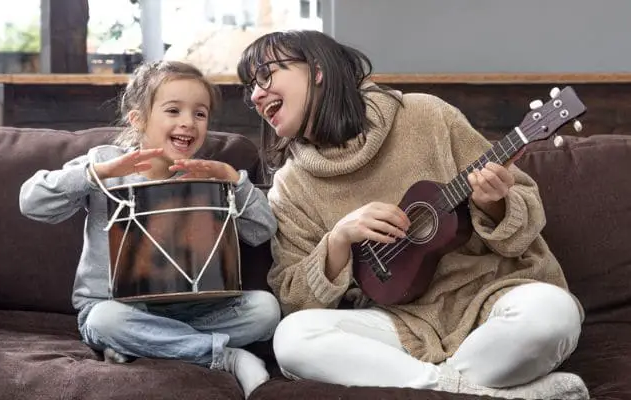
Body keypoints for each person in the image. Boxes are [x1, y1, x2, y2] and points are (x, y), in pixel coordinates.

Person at [236, 30, 588, 399]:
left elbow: (526, 216)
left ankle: (435, 385)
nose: (256, 95)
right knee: (293, 339)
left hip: (488, 299)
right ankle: (493, 393)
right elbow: (292, 300)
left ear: (318, 70)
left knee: (553, 314)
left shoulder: (425, 115)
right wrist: (338, 239)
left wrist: (494, 203)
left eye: (265, 76)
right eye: (250, 89)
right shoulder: (291, 186)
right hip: (398, 324)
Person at [19, 60, 280, 398]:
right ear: (138, 118)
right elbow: (32, 201)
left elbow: (262, 232)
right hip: (117, 308)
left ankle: (149, 343)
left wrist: (234, 180)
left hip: (194, 309)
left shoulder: (209, 174)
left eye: (200, 114)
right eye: (173, 110)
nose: (188, 122)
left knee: (266, 310)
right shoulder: (105, 162)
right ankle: (222, 356)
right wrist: (96, 173)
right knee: (105, 323)